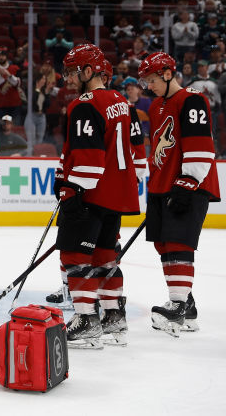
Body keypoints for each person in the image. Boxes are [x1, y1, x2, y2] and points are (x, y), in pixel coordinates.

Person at [55, 44, 141, 349]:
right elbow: (135, 149)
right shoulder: (121, 101)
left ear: (88, 71)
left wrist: (72, 189)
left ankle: (87, 320)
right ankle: (114, 316)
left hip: (93, 191)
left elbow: (89, 156)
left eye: (71, 71)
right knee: (106, 256)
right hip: (117, 193)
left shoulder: (84, 104)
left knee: (74, 257)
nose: (66, 76)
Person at [137, 52, 220, 335]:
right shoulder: (157, 106)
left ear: (168, 74)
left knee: (178, 241)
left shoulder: (192, 99)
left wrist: (189, 180)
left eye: (152, 79)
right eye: (145, 81)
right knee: (163, 243)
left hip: (188, 184)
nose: (148, 85)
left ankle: (177, 304)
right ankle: (187, 305)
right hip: (163, 184)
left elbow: (201, 145)